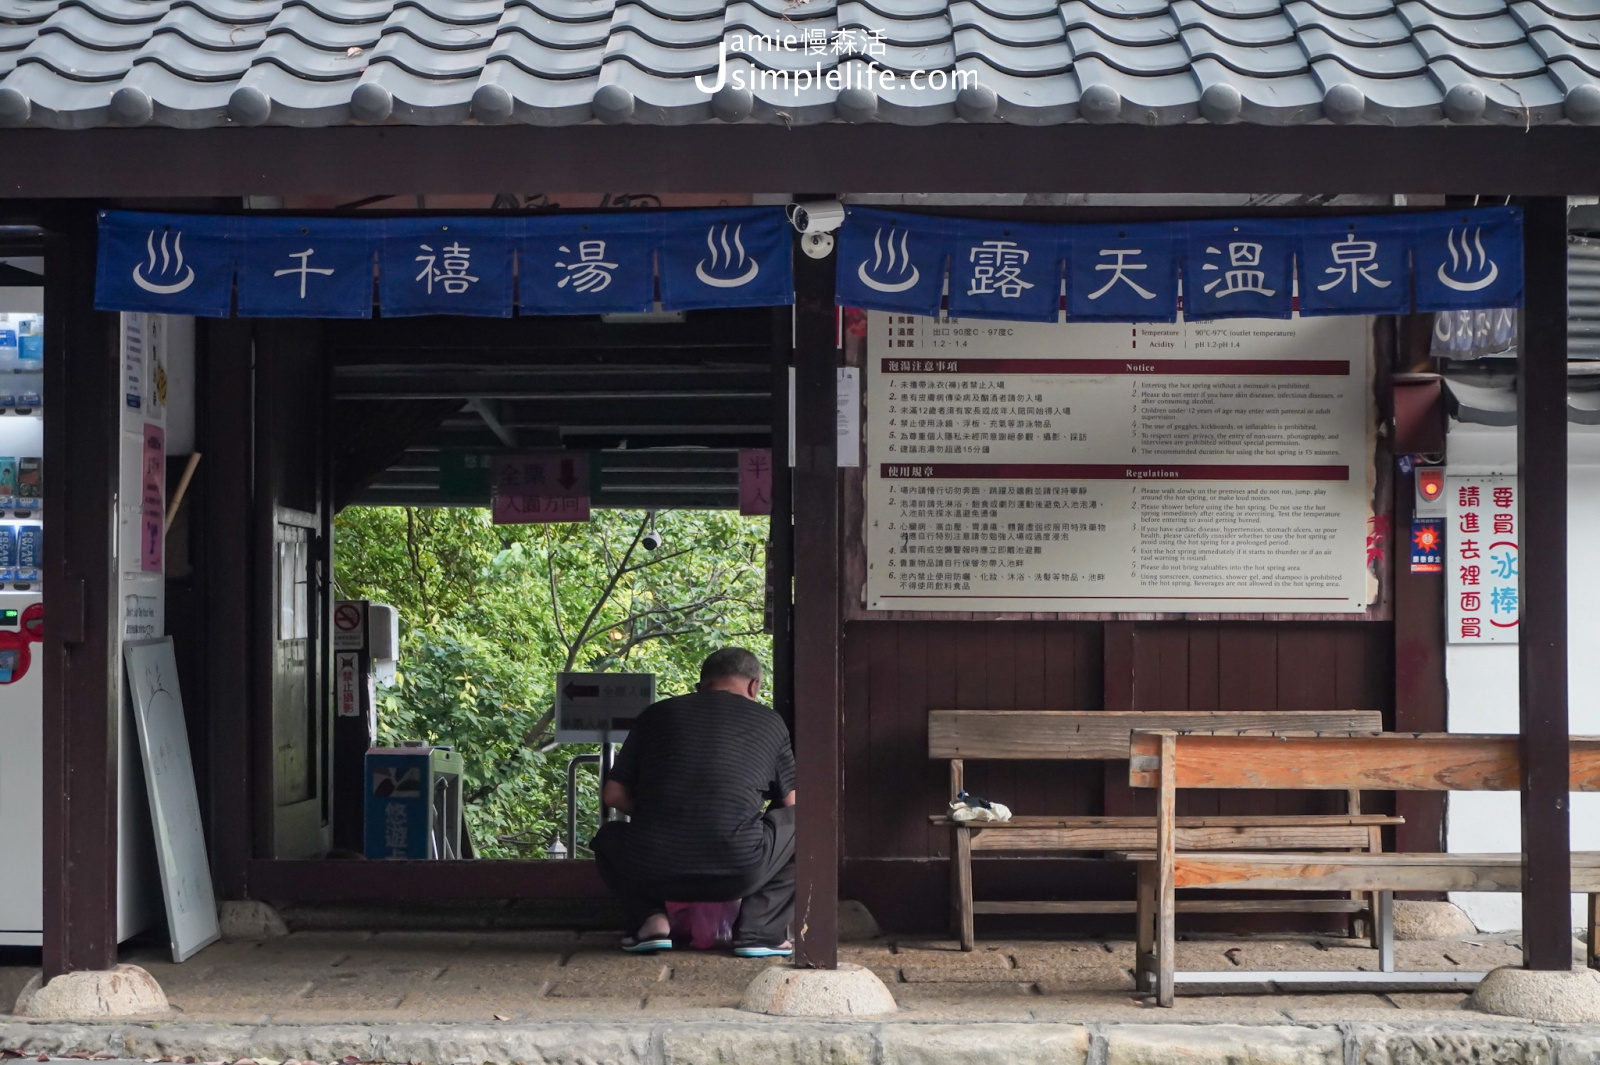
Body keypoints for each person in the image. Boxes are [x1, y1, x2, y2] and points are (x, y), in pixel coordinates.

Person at [590, 647, 796, 957]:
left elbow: (613, 795)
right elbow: (792, 802)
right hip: (740, 871)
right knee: (806, 822)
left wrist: (659, 817)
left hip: (654, 870)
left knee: (608, 838)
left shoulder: (656, 714)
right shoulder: (770, 722)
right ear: (754, 686)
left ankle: (651, 921)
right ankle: (760, 932)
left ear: (701, 686)